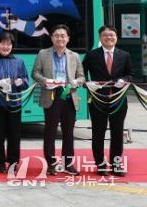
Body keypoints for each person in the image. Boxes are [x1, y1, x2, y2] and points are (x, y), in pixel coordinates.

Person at [32, 24, 85, 176]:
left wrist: (76, 82)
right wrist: (45, 81)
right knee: (50, 131)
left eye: (63, 36)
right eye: (56, 35)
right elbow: (35, 73)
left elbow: (81, 76)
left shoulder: (74, 56)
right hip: (51, 95)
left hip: (68, 96)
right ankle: (51, 164)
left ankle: (68, 164)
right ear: (51, 38)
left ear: (68, 38)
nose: (60, 38)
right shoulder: (43, 54)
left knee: (68, 132)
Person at [83, 25, 133, 177]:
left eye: (112, 35)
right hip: (98, 100)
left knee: (117, 134)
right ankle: (101, 165)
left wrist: (124, 80)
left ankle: (116, 165)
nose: (109, 38)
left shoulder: (124, 55)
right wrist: (87, 84)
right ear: (100, 38)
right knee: (98, 133)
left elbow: (130, 74)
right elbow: (81, 74)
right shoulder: (91, 55)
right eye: (105, 35)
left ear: (116, 37)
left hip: (118, 101)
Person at [0, 31, 29, 173]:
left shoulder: (19, 62)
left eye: (9, 44)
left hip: (14, 103)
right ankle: (0, 162)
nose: (6, 46)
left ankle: (13, 162)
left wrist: (21, 82)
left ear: (12, 46)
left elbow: (26, 82)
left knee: (14, 134)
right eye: (3, 43)